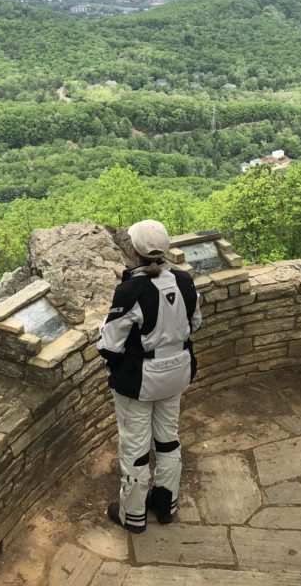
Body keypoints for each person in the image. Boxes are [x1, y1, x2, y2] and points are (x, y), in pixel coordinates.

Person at [97, 219, 202, 533]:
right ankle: (165, 503)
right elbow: (195, 325)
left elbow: (109, 344)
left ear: (134, 251)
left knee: (135, 448)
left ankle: (133, 515)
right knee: (168, 441)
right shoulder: (184, 281)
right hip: (176, 373)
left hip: (139, 381)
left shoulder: (131, 289)